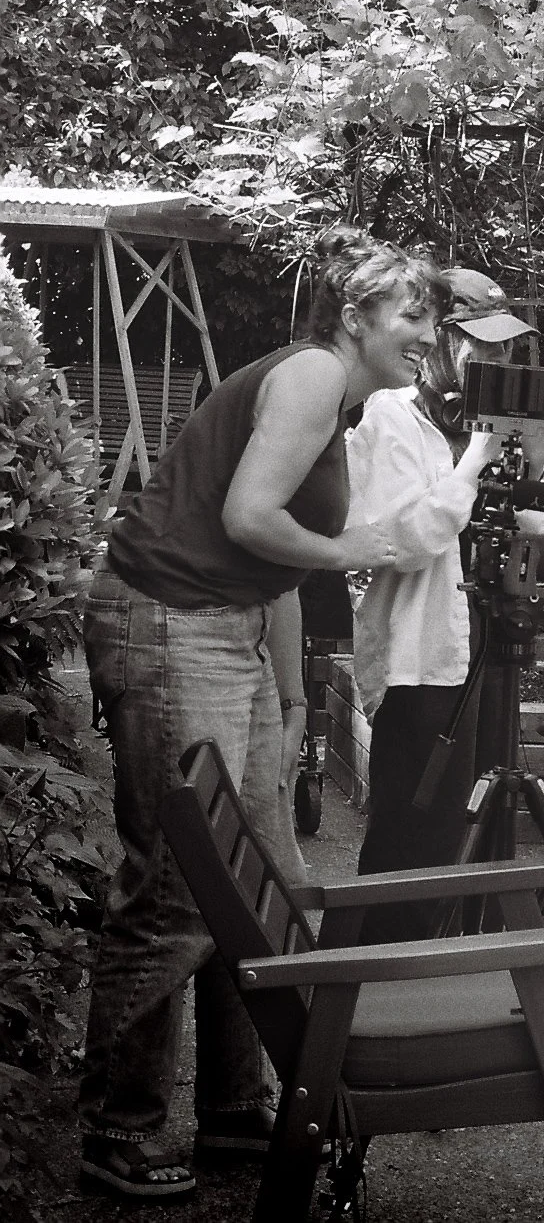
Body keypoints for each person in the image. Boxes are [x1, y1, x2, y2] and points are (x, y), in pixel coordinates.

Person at [77, 227, 441, 1198]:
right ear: (356, 317)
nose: (428, 332)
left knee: (263, 882)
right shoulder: (315, 375)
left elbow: (270, 566)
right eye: (412, 313)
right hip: (165, 621)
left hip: (223, 627)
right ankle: (117, 1127)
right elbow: (250, 518)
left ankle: (236, 1114)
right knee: (184, 881)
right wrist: (368, 543)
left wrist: (284, 700)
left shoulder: (347, 405)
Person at [345, 267, 541, 944]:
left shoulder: (481, 423)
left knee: (475, 821)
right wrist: (477, 458)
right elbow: (408, 539)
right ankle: (372, 982)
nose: (494, 358)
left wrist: (529, 468)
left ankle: (457, 964)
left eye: (504, 345)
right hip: (419, 655)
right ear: (437, 339)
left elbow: (516, 522)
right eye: (478, 342)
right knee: (414, 831)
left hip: (480, 639)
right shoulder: (391, 416)